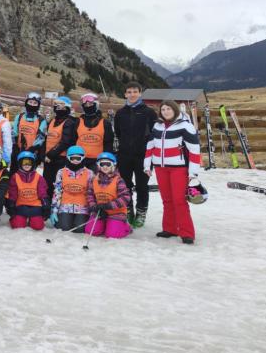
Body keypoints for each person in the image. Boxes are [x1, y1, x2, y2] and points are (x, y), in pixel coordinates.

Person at [144, 100, 201, 244]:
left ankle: (187, 233)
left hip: (178, 169)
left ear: (175, 110)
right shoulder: (157, 125)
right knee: (167, 200)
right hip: (160, 168)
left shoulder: (185, 126)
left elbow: (194, 150)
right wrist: (147, 165)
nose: (166, 112)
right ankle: (170, 229)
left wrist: (193, 173)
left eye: (168, 109)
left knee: (179, 200)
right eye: (163, 109)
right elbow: (150, 145)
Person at [113, 81, 157, 228]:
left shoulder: (149, 112)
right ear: (125, 94)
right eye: (129, 92)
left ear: (140, 93)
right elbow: (118, 133)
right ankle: (128, 210)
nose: (132, 94)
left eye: (135, 91)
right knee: (125, 186)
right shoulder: (120, 113)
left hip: (144, 156)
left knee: (142, 185)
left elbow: (154, 134)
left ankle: (141, 212)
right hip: (124, 155)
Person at [85, 151, 132, 239]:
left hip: (116, 212)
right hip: (100, 211)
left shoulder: (118, 180)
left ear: (113, 165)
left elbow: (125, 198)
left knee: (112, 235)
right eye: (102, 164)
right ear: (98, 165)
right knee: (91, 231)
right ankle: (106, 224)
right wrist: (94, 206)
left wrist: (108, 206)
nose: (105, 167)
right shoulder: (94, 179)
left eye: (108, 164)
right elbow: (90, 194)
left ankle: (126, 227)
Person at [50, 146, 94, 232]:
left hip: (82, 207)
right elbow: (57, 192)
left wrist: (92, 211)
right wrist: (54, 210)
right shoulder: (61, 172)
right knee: (64, 227)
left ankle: (79, 219)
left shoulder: (89, 173)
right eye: (72, 158)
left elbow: (91, 193)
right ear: (68, 158)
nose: (75, 160)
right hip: (65, 206)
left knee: (79, 228)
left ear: (83, 158)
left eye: (78, 158)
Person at [5, 151, 50, 230]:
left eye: (29, 162)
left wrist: (46, 204)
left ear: (33, 164)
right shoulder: (15, 177)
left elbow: (42, 192)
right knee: (17, 226)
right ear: (20, 164)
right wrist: (11, 205)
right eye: (24, 162)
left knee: (38, 226)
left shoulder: (39, 177)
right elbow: (13, 193)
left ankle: (33, 219)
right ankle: (19, 218)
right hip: (21, 206)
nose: (26, 165)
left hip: (35, 206)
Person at [43, 96, 78, 189]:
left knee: (58, 184)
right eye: (56, 105)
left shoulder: (69, 122)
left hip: (60, 159)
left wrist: (50, 155)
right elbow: (47, 138)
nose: (58, 107)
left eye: (61, 105)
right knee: (47, 184)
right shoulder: (53, 120)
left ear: (67, 107)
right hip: (49, 158)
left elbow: (65, 142)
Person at [75, 93, 114, 169]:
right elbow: (73, 140)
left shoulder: (105, 123)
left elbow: (108, 143)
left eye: (91, 103)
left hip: (97, 161)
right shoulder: (77, 122)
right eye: (85, 105)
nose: (88, 106)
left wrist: (106, 160)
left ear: (96, 105)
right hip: (79, 160)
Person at [12, 92, 47, 170]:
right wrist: (15, 147)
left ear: (38, 105)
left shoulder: (41, 120)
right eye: (30, 102)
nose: (32, 105)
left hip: (32, 153)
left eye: (35, 103)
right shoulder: (19, 117)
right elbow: (14, 133)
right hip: (18, 151)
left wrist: (32, 149)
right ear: (26, 102)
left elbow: (41, 137)